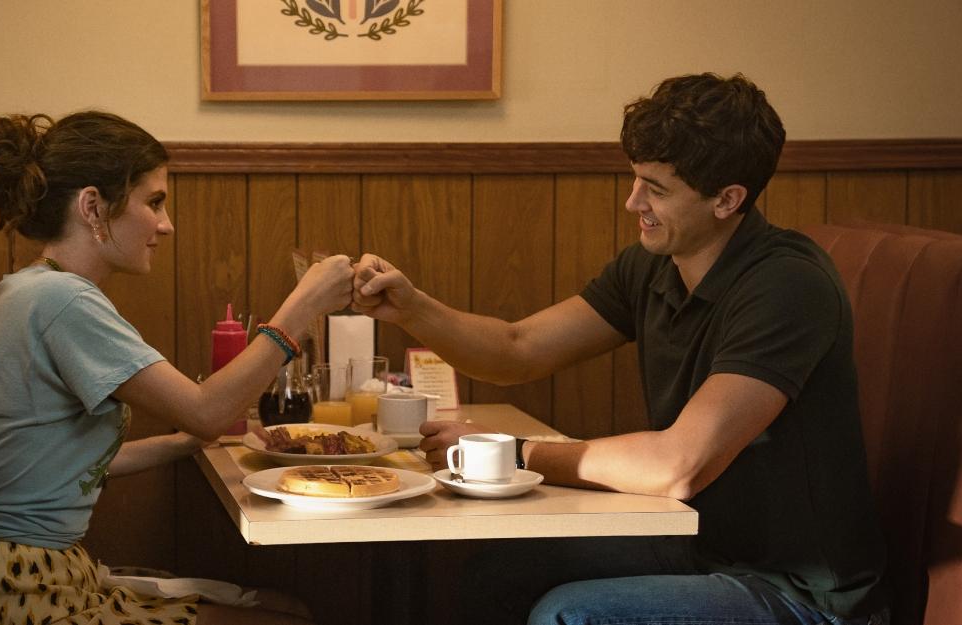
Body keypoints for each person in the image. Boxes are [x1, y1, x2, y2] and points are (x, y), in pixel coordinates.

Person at [351, 73, 889, 625]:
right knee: (497, 572)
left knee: (571, 615)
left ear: (728, 199)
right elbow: (520, 349)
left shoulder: (787, 285)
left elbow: (679, 465)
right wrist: (413, 308)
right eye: (635, 180)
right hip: (700, 545)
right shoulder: (655, 263)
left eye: (656, 189)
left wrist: (511, 454)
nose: (634, 202)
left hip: (801, 593)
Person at [0, 110, 351, 625]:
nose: (166, 224)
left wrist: (187, 444)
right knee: (289, 619)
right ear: (93, 206)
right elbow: (206, 410)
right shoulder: (63, 302)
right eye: (154, 202)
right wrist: (302, 305)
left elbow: (64, 465)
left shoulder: (30, 288)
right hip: (19, 587)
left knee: (289, 609)